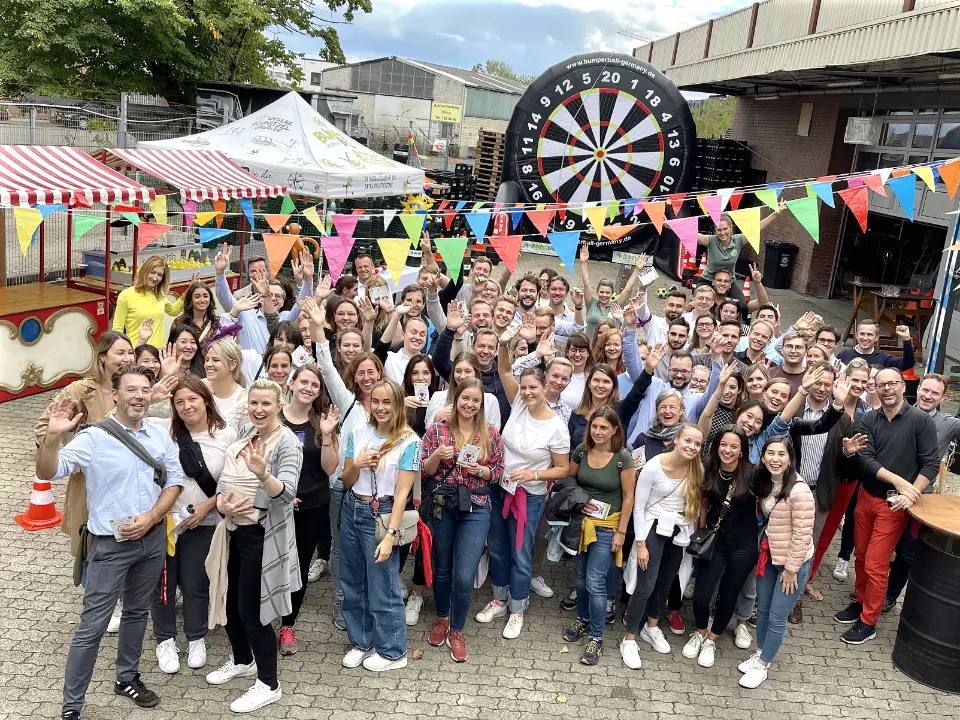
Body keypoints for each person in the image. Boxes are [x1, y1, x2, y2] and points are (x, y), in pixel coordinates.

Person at [36, 366, 183, 719]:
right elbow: (46, 472)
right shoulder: (93, 438)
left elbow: (174, 482)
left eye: (144, 390)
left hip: (150, 542)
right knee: (91, 627)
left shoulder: (160, 436)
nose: (138, 396)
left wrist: (151, 518)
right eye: (130, 389)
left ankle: (127, 677)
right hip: (109, 548)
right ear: (114, 395)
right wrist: (53, 437)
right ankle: (72, 708)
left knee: (136, 612)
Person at [203, 379, 302, 713]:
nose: (259, 410)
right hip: (233, 531)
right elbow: (225, 484)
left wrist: (262, 474)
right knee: (229, 601)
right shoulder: (247, 432)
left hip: (263, 536)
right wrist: (222, 505)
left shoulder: (288, 443)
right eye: (254, 403)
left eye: (266, 404)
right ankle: (243, 659)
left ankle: (269, 683)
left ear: (279, 405)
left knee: (253, 612)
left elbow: (287, 494)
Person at [834, 367, 939, 645]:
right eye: (881, 385)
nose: (887, 389)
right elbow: (865, 459)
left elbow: (931, 463)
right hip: (867, 496)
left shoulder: (920, 420)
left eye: (893, 383)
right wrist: (901, 481)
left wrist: (910, 492)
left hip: (894, 505)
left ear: (903, 386)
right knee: (860, 556)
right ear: (875, 389)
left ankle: (869, 621)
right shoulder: (868, 419)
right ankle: (860, 601)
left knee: (876, 563)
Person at [303, 295, 384, 630]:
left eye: (372, 371)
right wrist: (318, 324)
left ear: (381, 374)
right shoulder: (348, 403)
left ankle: (370, 601)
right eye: (361, 372)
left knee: (374, 549)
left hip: (380, 493)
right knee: (339, 549)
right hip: (343, 488)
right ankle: (343, 602)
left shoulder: (389, 406)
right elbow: (324, 362)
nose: (367, 377)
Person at [478, 346, 570, 639]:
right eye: (525, 387)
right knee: (498, 546)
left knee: (520, 552)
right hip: (500, 488)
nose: (528, 392)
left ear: (546, 389)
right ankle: (499, 599)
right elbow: (505, 370)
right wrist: (504, 343)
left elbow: (563, 469)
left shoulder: (556, 427)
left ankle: (517, 608)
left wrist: (534, 474)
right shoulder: (518, 402)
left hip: (527, 497)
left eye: (534, 388)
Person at [153, 377, 237, 675]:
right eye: (179, 402)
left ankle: (196, 637)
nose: (187, 406)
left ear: (206, 400)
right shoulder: (163, 432)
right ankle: (164, 640)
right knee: (162, 584)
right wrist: (152, 396)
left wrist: (208, 505)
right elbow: (117, 418)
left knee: (196, 582)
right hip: (164, 521)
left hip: (204, 521)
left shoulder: (227, 436)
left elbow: (232, 483)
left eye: (192, 399)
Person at [422, 379, 505, 662]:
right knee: (442, 567)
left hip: (477, 505)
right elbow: (423, 470)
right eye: (465, 398)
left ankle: (457, 630)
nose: (469, 404)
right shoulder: (437, 430)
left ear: (482, 405)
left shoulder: (491, 433)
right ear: (456, 399)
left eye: (476, 401)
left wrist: (480, 470)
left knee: (464, 573)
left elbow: (497, 472)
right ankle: (442, 618)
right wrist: (436, 455)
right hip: (442, 504)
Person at [340, 379, 420, 672]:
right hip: (352, 508)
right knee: (352, 580)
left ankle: (393, 651)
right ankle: (362, 642)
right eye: (376, 401)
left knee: (382, 586)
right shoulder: (358, 432)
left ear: (398, 404)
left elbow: (402, 494)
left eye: (387, 402)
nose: (381, 408)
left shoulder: (409, 441)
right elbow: (346, 480)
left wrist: (391, 535)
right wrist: (357, 464)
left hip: (382, 513)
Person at [620, 423, 704, 669]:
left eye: (697, 444)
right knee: (645, 585)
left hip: (678, 530)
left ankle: (652, 627)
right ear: (676, 439)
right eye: (688, 441)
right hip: (653, 528)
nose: (692, 447)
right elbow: (638, 505)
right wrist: (641, 544)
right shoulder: (654, 466)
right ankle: (629, 639)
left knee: (666, 582)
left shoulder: (696, 467)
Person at [561, 408, 636, 665]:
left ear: (615, 430)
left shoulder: (622, 459)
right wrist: (578, 500)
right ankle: (582, 619)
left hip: (607, 527)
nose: (598, 431)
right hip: (581, 524)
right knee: (580, 579)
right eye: (595, 426)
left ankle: (596, 636)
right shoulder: (581, 451)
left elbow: (629, 498)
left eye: (604, 427)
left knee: (595, 582)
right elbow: (570, 480)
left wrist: (621, 532)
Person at [739, 436, 814, 688]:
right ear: (762, 457)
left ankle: (763, 665)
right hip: (768, 555)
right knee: (763, 609)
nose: (775, 459)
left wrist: (792, 570)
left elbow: (803, 534)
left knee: (777, 616)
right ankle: (761, 653)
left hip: (792, 564)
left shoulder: (799, 490)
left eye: (781, 454)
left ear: (790, 458)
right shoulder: (766, 483)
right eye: (770, 453)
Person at [681, 426, 757, 668]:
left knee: (729, 596)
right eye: (724, 444)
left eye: (734, 446)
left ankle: (712, 640)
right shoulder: (709, 469)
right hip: (716, 542)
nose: (728, 450)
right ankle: (701, 631)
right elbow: (703, 503)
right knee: (702, 595)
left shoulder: (753, 475)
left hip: (744, 544)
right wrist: (700, 530)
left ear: (742, 451)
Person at [277, 366, 339, 654]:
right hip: (274, 505)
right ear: (291, 383)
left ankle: (288, 624)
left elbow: (329, 468)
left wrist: (327, 435)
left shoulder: (322, 422)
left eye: (315, 384)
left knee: (298, 566)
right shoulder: (274, 418)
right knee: (270, 562)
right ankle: (262, 617)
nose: (309, 387)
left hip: (312, 505)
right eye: (304, 381)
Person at [806, 359, 871, 596]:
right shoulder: (833, 404)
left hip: (847, 479)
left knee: (827, 530)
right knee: (812, 527)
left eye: (864, 381)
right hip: (820, 474)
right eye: (855, 380)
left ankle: (808, 576)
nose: (859, 385)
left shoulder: (867, 412)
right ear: (844, 378)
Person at [696, 206, 784, 299]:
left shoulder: (738, 240)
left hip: (728, 282)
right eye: (719, 230)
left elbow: (756, 228)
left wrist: (776, 213)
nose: (722, 233)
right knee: (697, 301)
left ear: (731, 228)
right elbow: (691, 233)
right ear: (715, 231)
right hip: (708, 280)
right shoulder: (711, 240)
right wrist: (680, 222)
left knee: (741, 305)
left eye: (725, 229)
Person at [112, 256, 186, 347]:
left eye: (159, 275)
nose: (155, 278)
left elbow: (173, 311)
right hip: (136, 351)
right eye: (152, 272)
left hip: (158, 352)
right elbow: (117, 329)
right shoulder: (126, 295)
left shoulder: (159, 295)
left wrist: (188, 291)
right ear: (144, 271)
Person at [425, 351, 501, 429]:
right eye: (458, 371)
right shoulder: (438, 397)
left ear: (476, 373)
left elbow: (494, 435)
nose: (462, 376)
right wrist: (437, 418)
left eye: (467, 371)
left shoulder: (490, 401)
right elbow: (427, 436)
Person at [579, 244, 641, 337]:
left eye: (607, 292)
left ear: (612, 293)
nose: (604, 295)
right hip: (589, 348)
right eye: (602, 292)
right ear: (597, 292)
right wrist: (584, 263)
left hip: (609, 349)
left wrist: (637, 270)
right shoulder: (591, 303)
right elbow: (586, 283)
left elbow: (627, 288)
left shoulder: (615, 306)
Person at [203, 340, 249, 433]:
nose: (208, 364)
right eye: (207, 359)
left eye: (215, 360)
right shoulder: (199, 387)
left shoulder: (244, 401)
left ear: (232, 365)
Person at [835, 320, 915, 371]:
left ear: (876, 337)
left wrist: (906, 340)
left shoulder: (883, 359)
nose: (865, 338)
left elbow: (907, 364)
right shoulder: (843, 355)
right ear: (856, 335)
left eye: (869, 335)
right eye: (862, 334)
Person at [561, 333, 593, 409]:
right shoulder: (558, 375)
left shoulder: (592, 378)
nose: (577, 354)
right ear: (567, 352)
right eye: (573, 350)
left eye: (582, 351)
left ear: (588, 353)